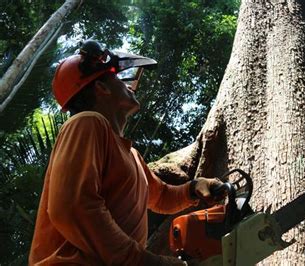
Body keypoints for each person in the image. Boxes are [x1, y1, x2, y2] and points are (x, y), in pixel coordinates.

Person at [29, 40, 222, 265]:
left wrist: (193, 189)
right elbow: (71, 206)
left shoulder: (131, 156)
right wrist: (139, 261)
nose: (130, 85)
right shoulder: (86, 123)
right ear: (101, 88)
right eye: (118, 78)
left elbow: (160, 197)